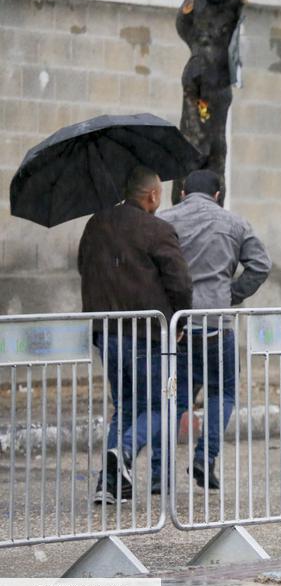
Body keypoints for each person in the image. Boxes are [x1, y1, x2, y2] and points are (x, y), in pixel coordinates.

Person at [78, 166, 192, 504]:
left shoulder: (96, 224)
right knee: (163, 405)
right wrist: (179, 324)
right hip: (148, 334)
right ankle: (125, 451)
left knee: (125, 407)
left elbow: (83, 266)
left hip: (107, 334)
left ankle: (110, 484)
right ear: (153, 195)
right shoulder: (158, 230)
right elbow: (181, 284)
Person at [157, 169, 271, 494]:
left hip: (177, 325)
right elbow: (261, 265)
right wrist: (230, 295)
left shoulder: (164, 221)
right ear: (218, 195)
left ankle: (159, 472)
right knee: (223, 393)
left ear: (182, 192)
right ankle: (205, 458)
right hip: (216, 326)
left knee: (175, 397)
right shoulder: (235, 223)